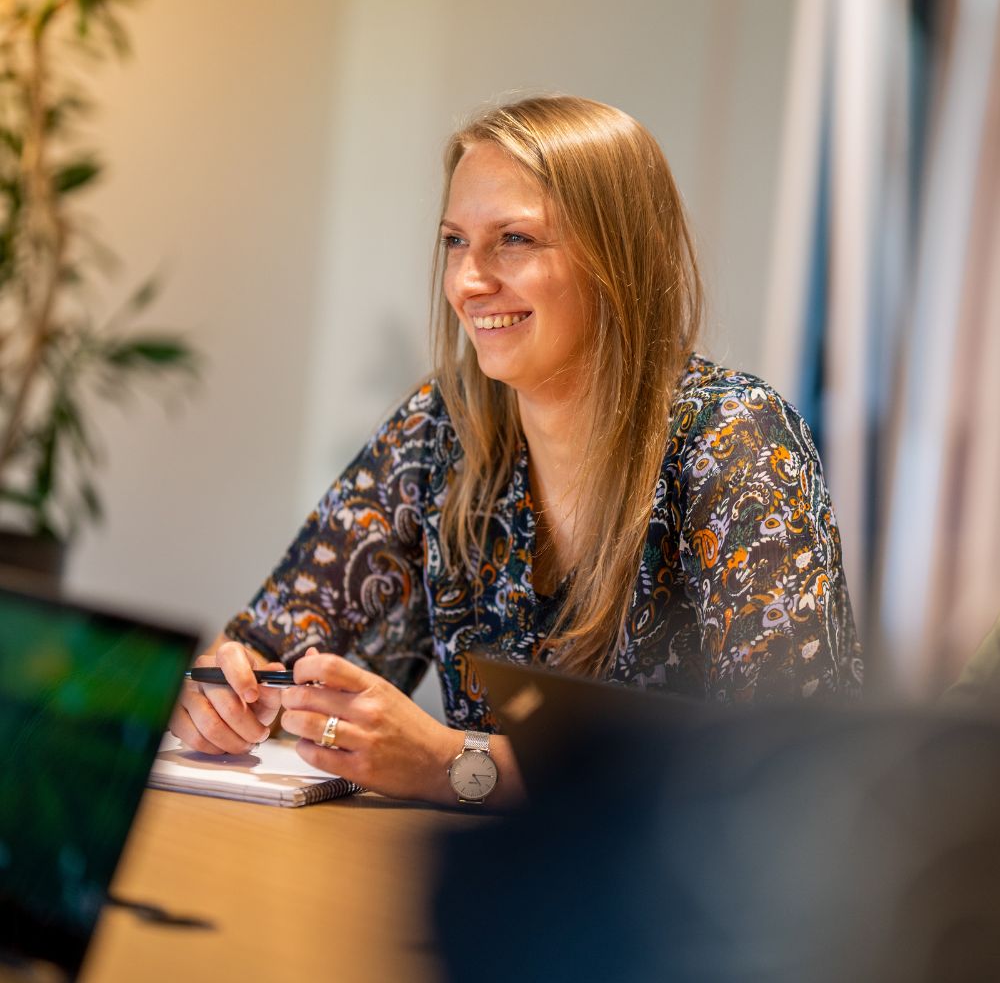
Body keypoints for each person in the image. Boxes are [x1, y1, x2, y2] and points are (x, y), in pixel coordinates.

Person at [168, 95, 862, 807]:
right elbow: (267, 651)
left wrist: (453, 765)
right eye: (455, 241)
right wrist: (224, 697)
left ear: (618, 257)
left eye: (515, 239)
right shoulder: (442, 427)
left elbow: (793, 771)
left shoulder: (734, 438)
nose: (469, 281)